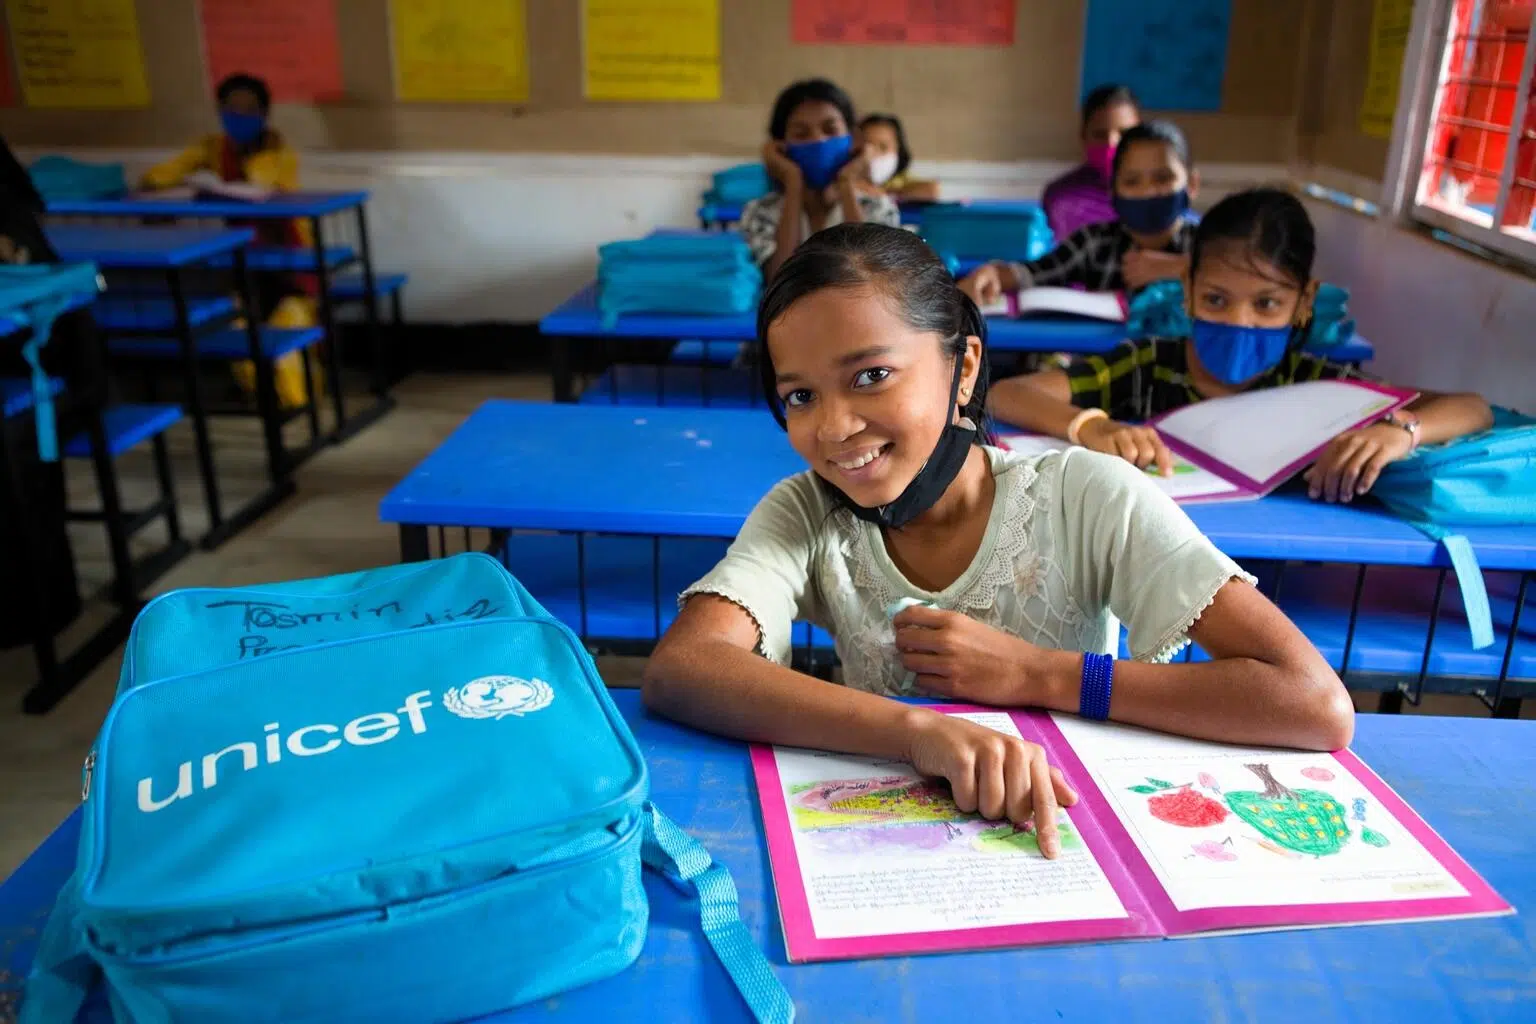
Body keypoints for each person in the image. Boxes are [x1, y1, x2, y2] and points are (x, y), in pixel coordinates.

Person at [643, 222, 1355, 858]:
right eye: (801, 396)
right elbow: (686, 666)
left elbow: (1312, 702)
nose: (832, 429)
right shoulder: (805, 510)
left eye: (872, 376)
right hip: (896, 843)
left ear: (966, 369)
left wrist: (1039, 676)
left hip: (1073, 836)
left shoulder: (1086, 494)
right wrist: (914, 732)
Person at [988, 188, 1494, 499]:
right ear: (1187, 293)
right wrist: (1092, 425)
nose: (1239, 321)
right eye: (1216, 299)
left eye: (1267, 305)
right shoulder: (1148, 364)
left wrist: (1401, 431)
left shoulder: (1312, 383)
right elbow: (1005, 393)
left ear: (1304, 303)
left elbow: (1473, 408)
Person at [141, 73, 317, 409]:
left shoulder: (279, 151)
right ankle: (257, 389)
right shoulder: (212, 147)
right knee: (236, 318)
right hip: (240, 254)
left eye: (248, 110)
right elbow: (160, 175)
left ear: (264, 114)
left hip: (285, 252)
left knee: (289, 317)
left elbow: (264, 187)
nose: (238, 118)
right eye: (230, 109)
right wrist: (169, 187)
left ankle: (293, 395)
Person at [960, 120, 1198, 306]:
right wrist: (990, 274)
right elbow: (1034, 273)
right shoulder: (1094, 243)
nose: (1148, 191)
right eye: (1132, 181)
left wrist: (1181, 268)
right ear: (1113, 191)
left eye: (1163, 178)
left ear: (1192, 184)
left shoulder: (1208, 244)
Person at [741, 79, 900, 279]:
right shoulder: (761, 212)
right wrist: (793, 182)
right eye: (801, 133)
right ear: (780, 145)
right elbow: (778, 279)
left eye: (830, 130)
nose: (818, 140)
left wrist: (847, 182)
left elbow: (870, 280)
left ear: (853, 139)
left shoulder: (878, 208)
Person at [1041, 85, 1141, 239]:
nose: (1111, 143)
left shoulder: (1156, 196)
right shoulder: (1060, 198)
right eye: (1100, 134)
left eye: (1124, 133)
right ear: (1083, 136)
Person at [857, 113, 940, 202]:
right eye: (868, 146)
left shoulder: (901, 180)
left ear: (898, 150)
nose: (875, 154)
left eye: (883, 147)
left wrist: (880, 192)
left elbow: (931, 190)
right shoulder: (847, 177)